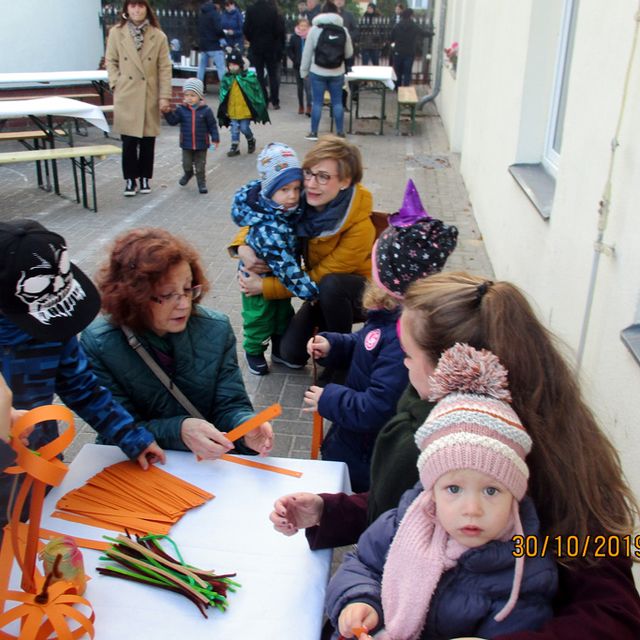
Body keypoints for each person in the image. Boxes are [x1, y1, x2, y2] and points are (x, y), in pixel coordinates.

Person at [270, 271, 640, 639]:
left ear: (451, 367)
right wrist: (329, 510)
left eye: (408, 353)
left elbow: (614, 612)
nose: (404, 364)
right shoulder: (447, 431)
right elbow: (413, 507)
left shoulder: (558, 473)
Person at [327, 343, 559, 639]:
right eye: (453, 488)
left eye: (491, 491)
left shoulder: (526, 572)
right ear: (431, 490)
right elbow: (362, 564)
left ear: (515, 495)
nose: (472, 508)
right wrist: (358, 600)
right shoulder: (402, 522)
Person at [0, 220, 165, 534]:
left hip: (42, 464)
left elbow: (81, 387)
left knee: (41, 545)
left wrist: (132, 438)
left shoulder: (54, 328)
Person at [81, 228, 273, 461]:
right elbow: (116, 429)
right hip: (138, 464)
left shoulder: (216, 328)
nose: (183, 304)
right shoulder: (101, 343)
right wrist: (178, 431)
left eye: (187, 289)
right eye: (167, 294)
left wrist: (245, 427)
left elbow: (230, 404)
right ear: (133, 296)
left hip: (204, 465)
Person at [233, 135, 375, 369]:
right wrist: (242, 246)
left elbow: (322, 276)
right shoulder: (301, 198)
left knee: (332, 285)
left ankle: (340, 358)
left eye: (323, 177)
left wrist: (264, 287)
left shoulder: (360, 228)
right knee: (290, 355)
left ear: (345, 181)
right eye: (308, 172)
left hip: (351, 295)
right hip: (314, 291)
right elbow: (265, 216)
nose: (310, 183)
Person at [303, 281, 408, 492]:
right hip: (351, 441)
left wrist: (329, 400)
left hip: (365, 458)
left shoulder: (402, 337)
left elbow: (378, 407)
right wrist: (333, 344)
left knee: (347, 506)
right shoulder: (386, 316)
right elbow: (365, 343)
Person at [231, 142, 315, 376]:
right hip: (258, 277)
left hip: (277, 279)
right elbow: (288, 269)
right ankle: (254, 350)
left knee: (282, 315)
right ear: (269, 191)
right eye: (285, 190)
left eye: (297, 189)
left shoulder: (284, 210)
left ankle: (279, 349)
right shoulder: (270, 229)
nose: (292, 196)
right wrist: (311, 292)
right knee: (258, 318)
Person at [105, 0, 172, 197]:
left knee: (147, 140)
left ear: (146, 9)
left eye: (140, 6)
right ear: (126, 9)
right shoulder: (117, 33)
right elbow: (111, 60)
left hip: (149, 93)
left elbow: (165, 68)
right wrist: (116, 83)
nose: (136, 10)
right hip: (127, 93)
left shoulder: (158, 36)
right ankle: (129, 179)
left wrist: (164, 96)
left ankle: (144, 177)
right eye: (132, 6)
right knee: (129, 140)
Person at [300, 1, 353, 140]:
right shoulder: (343, 30)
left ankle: (313, 133)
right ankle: (340, 132)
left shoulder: (315, 29)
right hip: (337, 71)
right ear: (337, 13)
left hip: (317, 71)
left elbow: (307, 53)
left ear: (322, 13)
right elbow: (349, 53)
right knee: (337, 102)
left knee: (317, 102)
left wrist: (303, 72)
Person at [164, 78, 219, 194]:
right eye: (186, 95)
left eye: (192, 95)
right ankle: (188, 173)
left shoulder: (206, 111)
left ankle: (201, 183)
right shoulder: (181, 110)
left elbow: (212, 126)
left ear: (200, 96)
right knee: (186, 164)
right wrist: (167, 113)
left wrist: (215, 139)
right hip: (186, 144)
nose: (189, 98)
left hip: (201, 144)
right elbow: (173, 121)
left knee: (200, 166)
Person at [217, 50, 270, 157]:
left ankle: (250, 139)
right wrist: (224, 108)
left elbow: (256, 92)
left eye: (235, 65)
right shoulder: (227, 78)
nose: (232, 67)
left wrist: (258, 105)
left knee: (244, 128)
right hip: (232, 109)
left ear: (240, 65)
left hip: (245, 110)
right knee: (234, 128)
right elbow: (223, 93)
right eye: (230, 65)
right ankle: (234, 146)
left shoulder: (247, 77)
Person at [243, 0, 286, 110]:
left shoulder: (251, 10)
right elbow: (279, 30)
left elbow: (246, 29)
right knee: (272, 74)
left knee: (259, 74)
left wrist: (252, 39)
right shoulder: (273, 10)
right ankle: (275, 100)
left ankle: (264, 99)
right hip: (271, 46)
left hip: (257, 46)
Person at [390, 8, 425, 87]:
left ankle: (397, 87)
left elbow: (391, 37)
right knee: (407, 72)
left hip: (398, 51)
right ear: (411, 16)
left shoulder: (397, 26)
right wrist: (432, 33)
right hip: (409, 52)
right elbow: (423, 33)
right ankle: (406, 88)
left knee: (397, 71)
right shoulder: (414, 26)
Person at [197, 0, 227, 89]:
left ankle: (198, 88)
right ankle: (224, 89)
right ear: (216, 5)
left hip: (203, 45)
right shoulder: (214, 14)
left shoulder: (202, 14)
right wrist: (223, 36)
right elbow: (218, 29)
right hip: (214, 44)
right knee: (220, 67)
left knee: (201, 67)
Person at [287, 17, 312, 116]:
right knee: (299, 87)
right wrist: (294, 58)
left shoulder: (310, 36)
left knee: (308, 87)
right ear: (298, 26)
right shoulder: (294, 37)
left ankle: (309, 106)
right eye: (301, 26)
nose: (303, 28)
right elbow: (289, 49)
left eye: (305, 26)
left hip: (308, 66)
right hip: (298, 65)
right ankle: (301, 105)